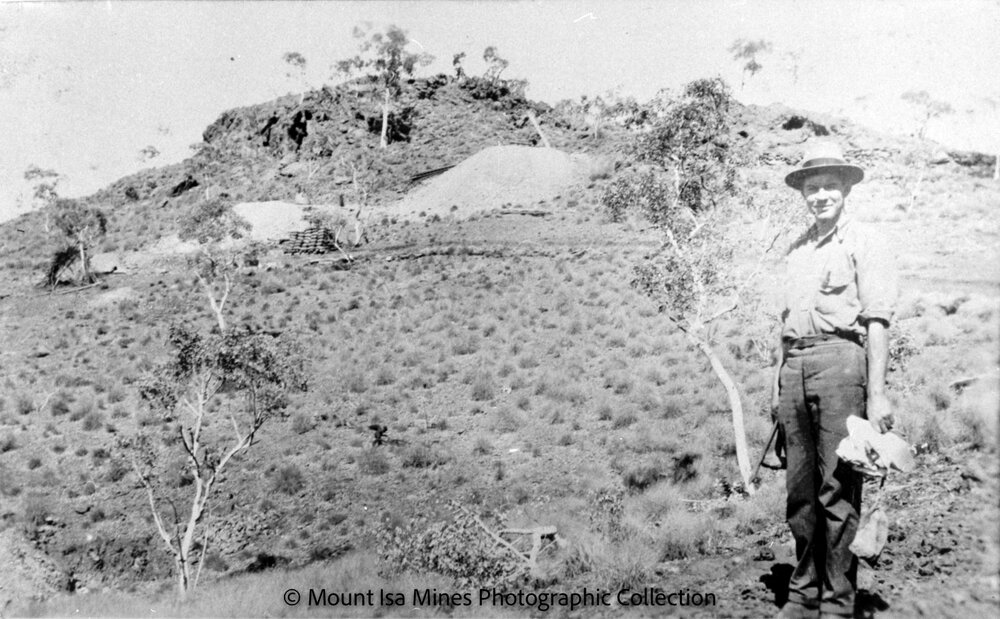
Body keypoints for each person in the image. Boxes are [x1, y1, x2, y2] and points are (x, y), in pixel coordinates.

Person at [771, 141, 898, 618]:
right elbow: (782, 326)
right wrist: (776, 390)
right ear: (802, 193)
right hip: (795, 369)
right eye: (811, 187)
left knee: (837, 490)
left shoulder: (866, 242)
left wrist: (879, 394)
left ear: (845, 189)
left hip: (842, 365)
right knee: (799, 494)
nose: (820, 195)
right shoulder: (796, 250)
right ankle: (802, 594)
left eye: (828, 186)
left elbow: (877, 321)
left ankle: (837, 601)